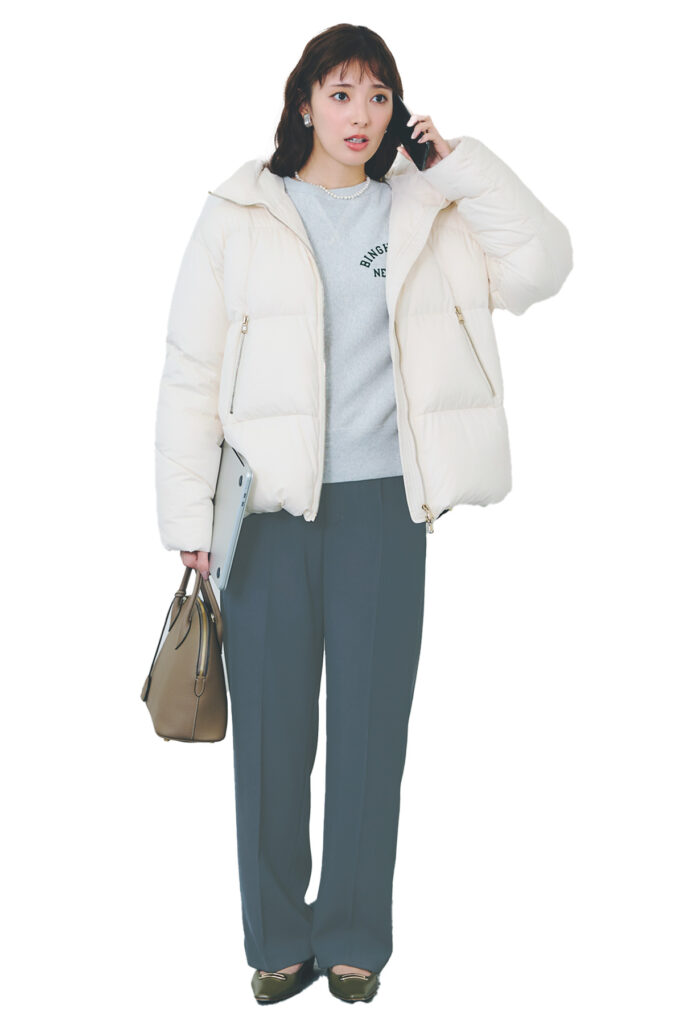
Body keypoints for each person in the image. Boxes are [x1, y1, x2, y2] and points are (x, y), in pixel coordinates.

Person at [153, 22, 573, 1006]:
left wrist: (457, 166)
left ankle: (351, 939)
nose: (360, 114)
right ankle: (276, 939)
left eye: (378, 95)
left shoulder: (426, 207)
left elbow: (542, 265)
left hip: (383, 506)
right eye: (340, 93)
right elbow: (190, 370)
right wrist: (189, 518)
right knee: (269, 740)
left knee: (369, 736)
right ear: (303, 101)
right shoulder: (239, 212)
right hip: (266, 513)